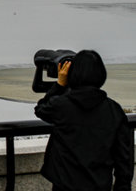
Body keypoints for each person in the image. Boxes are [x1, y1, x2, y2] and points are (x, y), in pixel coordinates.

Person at [34, 50, 133, 191]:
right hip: (99, 185)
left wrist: (59, 85)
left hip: (64, 185)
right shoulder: (114, 110)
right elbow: (123, 160)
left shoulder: (62, 106)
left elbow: (41, 109)